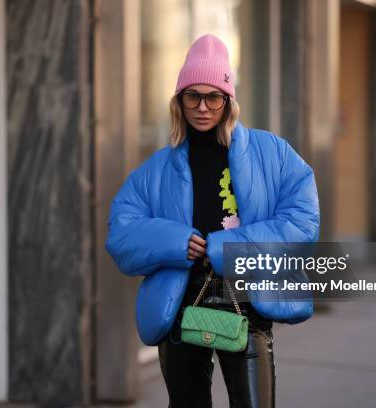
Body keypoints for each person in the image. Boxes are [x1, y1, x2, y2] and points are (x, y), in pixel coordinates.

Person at [105, 34, 320, 408]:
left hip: (247, 302)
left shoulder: (273, 154)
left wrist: (227, 248)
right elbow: (121, 233)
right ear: (179, 101)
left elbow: (303, 222)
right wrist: (174, 242)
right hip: (181, 304)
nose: (203, 107)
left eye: (213, 97)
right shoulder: (156, 169)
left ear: (228, 101)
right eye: (193, 96)